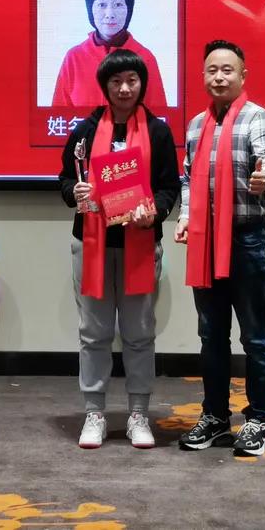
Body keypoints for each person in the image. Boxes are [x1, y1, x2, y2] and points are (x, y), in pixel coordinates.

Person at [59, 49, 180, 449]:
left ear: (142, 84)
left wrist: (155, 210)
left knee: (139, 333)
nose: (124, 88)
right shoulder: (85, 130)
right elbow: (65, 179)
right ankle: (94, 413)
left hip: (139, 244)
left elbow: (169, 187)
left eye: (131, 80)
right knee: (93, 333)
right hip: (92, 243)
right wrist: (74, 192)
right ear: (104, 86)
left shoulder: (158, 132)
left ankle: (138, 414)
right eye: (116, 81)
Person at [174, 39, 265, 457]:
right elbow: (188, 178)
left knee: (255, 337)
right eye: (212, 70)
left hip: (246, 239)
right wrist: (186, 215)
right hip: (205, 240)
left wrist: (264, 179)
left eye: (227, 70)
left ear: (242, 75)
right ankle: (216, 417)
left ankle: (259, 420)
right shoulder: (195, 126)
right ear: (204, 75)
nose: (219, 77)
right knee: (211, 336)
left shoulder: (259, 118)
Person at [52, 0, 169, 109]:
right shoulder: (73, 58)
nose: (110, 14)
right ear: (90, 10)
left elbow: (159, 116)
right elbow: (58, 115)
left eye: (118, 4)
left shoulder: (145, 58)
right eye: (102, 4)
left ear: (129, 10)